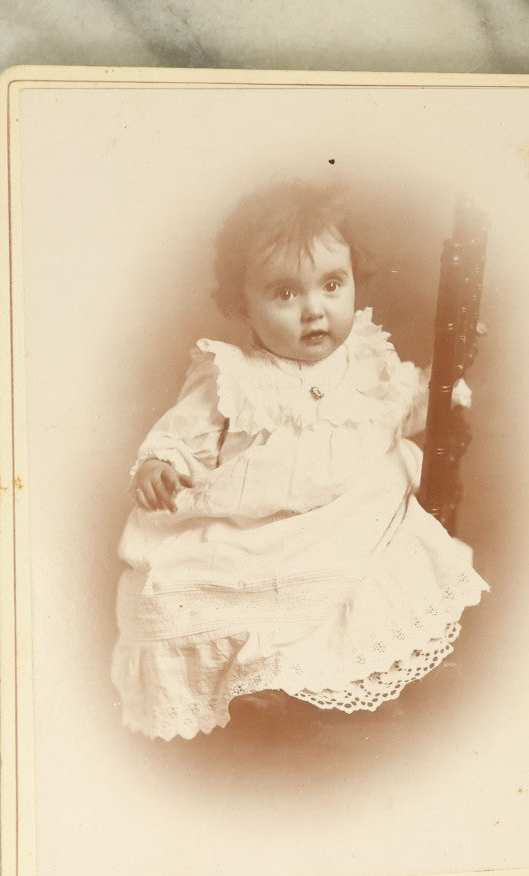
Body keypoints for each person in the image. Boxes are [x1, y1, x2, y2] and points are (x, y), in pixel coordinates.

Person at [112, 181, 488, 740]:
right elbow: (177, 437)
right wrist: (158, 466)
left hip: (353, 518)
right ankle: (261, 675)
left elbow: (411, 406)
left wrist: (449, 378)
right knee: (176, 591)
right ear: (244, 303)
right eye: (285, 294)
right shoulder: (230, 374)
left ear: (353, 281)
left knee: (356, 570)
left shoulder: (367, 360)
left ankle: (322, 671)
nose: (315, 310)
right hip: (256, 531)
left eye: (332, 284)